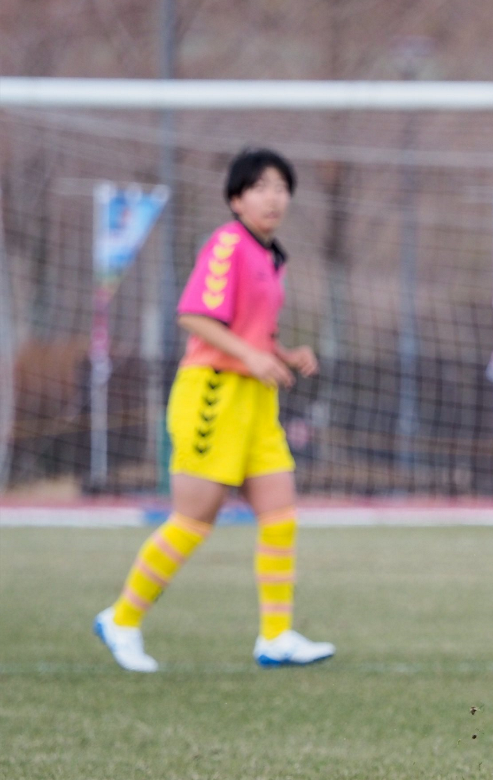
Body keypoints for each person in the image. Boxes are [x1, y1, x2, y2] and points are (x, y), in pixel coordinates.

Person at [93, 148, 335, 672]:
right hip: (213, 395)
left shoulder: (273, 255)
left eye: (281, 187)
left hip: (256, 400)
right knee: (193, 519)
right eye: (261, 187)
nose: (274, 197)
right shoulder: (227, 243)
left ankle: (276, 637)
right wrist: (251, 354)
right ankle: (122, 618)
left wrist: (282, 353)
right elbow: (195, 316)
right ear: (235, 198)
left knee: (280, 514)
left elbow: (249, 330)